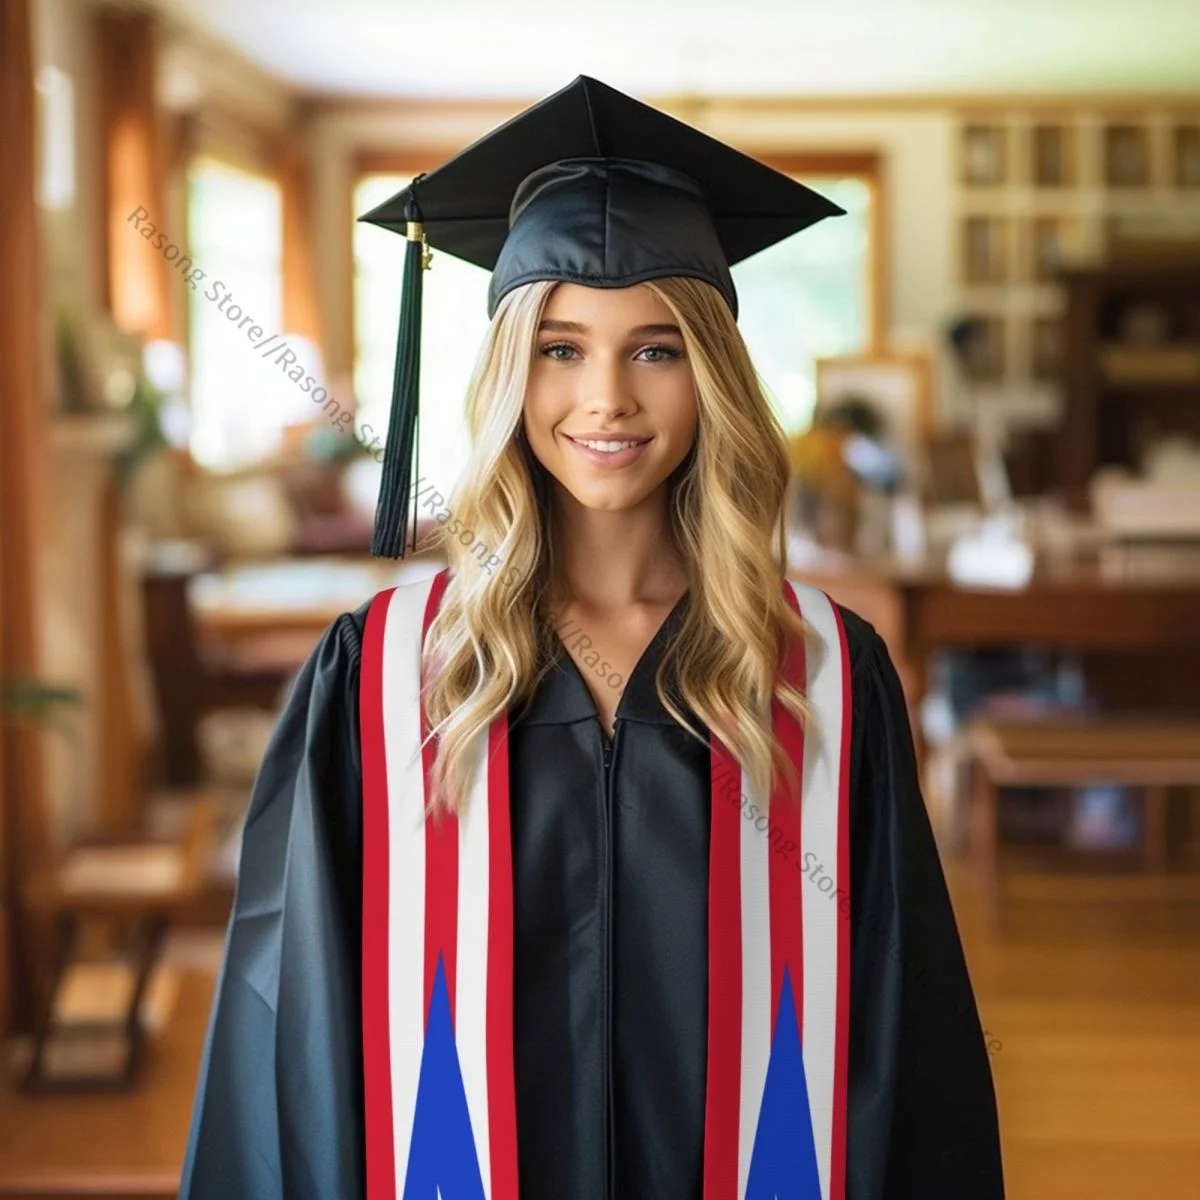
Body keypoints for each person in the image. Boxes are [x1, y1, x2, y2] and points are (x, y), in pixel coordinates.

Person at [179, 76, 1003, 1200]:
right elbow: (291, 1030)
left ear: (712, 375)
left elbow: (911, 1029)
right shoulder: (381, 673)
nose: (605, 397)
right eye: (561, 348)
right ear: (511, 372)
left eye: (656, 349)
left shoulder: (822, 670)